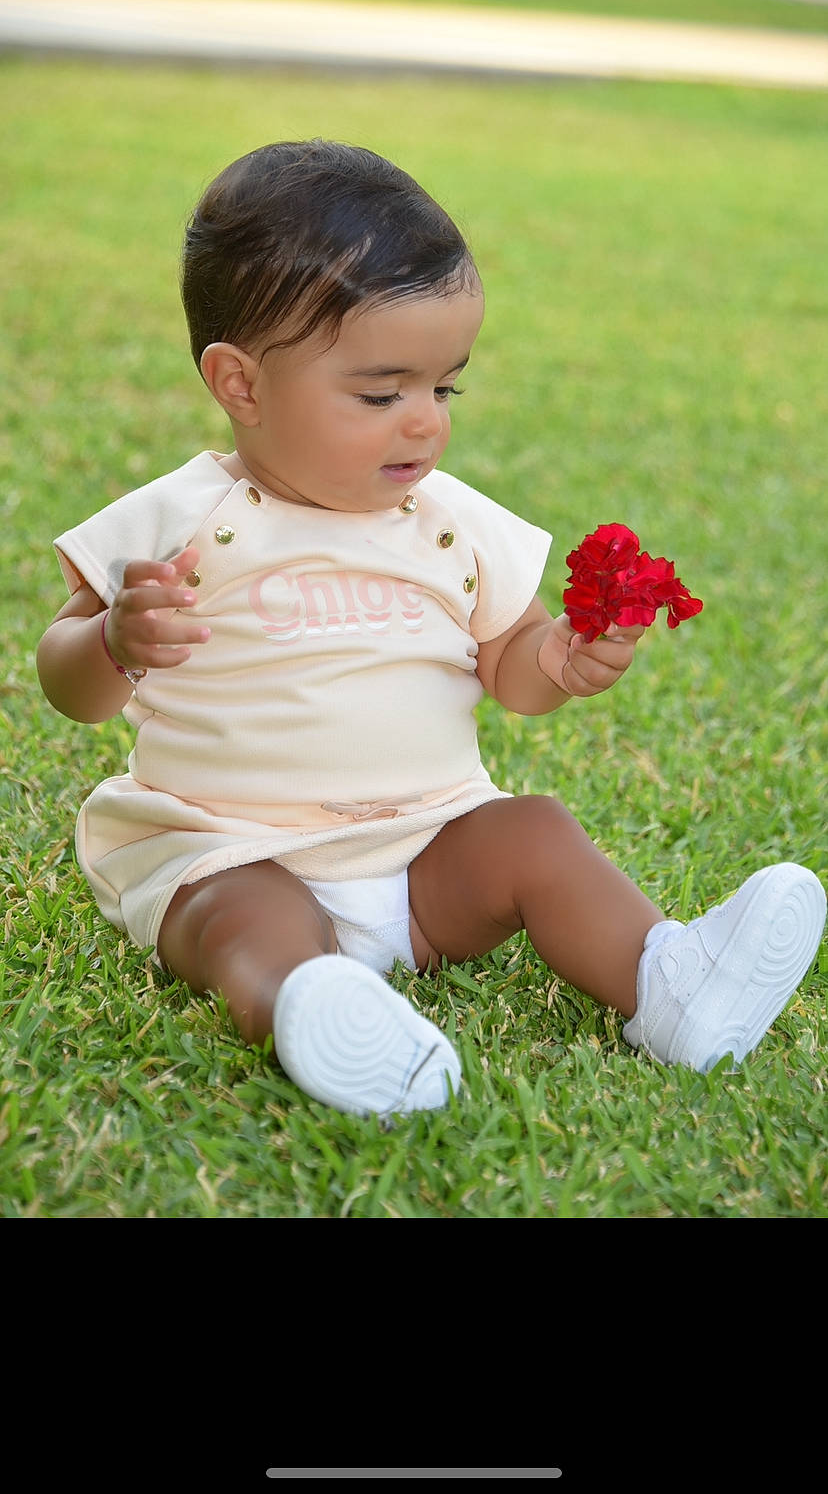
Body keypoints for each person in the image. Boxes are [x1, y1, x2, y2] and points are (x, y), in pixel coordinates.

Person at [36, 140, 826, 1118]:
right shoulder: (179, 519)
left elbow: (513, 666)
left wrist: (562, 659)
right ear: (240, 384)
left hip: (424, 860)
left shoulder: (454, 523)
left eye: (444, 387)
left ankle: (670, 984)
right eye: (382, 393)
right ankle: (315, 1006)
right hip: (233, 845)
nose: (424, 422)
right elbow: (66, 683)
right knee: (239, 921)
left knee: (534, 831)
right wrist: (112, 642)